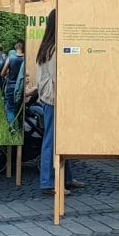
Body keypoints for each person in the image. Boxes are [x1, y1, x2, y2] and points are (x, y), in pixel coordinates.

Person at [37, 10, 84, 195]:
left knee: (59, 139)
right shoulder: (55, 49)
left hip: (50, 98)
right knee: (52, 140)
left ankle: (66, 178)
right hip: (55, 99)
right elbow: (60, 77)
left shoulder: (47, 47)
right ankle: (48, 183)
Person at [0, 41, 25, 128]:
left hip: (11, 86)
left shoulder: (10, 58)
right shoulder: (25, 59)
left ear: (15, 47)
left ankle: (12, 126)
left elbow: (2, 74)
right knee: (20, 108)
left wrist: (9, 72)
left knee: (10, 107)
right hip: (21, 87)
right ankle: (20, 127)